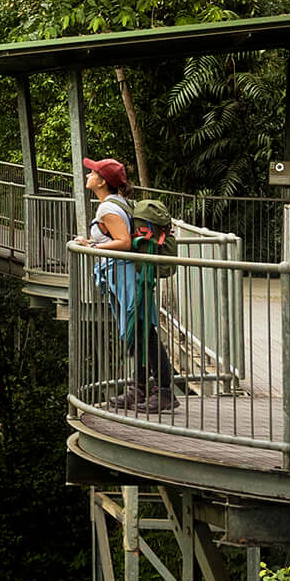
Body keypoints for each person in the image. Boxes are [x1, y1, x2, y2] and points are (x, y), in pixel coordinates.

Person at [86, 158, 170, 411]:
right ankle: (140, 389)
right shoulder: (116, 203)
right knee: (137, 333)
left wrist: (93, 246)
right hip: (125, 273)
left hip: (124, 273)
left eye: (93, 172)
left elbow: (122, 241)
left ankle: (165, 391)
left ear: (102, 181)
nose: (88, 174)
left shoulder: (107, 209)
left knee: (145, 331)